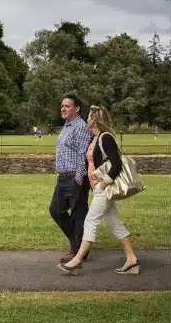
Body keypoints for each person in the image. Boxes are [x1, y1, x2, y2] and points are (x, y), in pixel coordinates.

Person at [58, 105, 140, 275]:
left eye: (89, 116)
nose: (86, 118)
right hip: (98, 187)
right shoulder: (95, 138)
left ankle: (77, 260)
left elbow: (116, 164)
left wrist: (104, 183)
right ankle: (132, 260)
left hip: (104, 188)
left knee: (90, 221)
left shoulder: (106, 138)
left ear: (94, 120)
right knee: (114, 222)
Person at [50, 94, 93, 264]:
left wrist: (79, 180)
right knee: (56, 210)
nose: (63, 108)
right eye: (62, 106)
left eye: (67, 106)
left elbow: (83, 154)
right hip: (63, 178)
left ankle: (78, 252)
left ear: (77, 109)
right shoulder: (67, 126)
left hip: (76, 177)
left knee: (78, 215)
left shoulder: (80, 127)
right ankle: (79, 245)